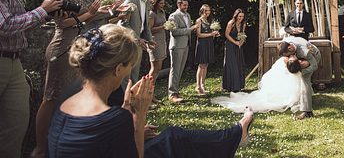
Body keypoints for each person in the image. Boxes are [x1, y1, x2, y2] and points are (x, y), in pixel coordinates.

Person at [46, 24, 254, 158]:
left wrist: (128, 113)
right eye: (130, 66)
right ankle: (236, 134)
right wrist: (138, 114)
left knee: (174, 136)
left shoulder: (68, 98)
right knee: (177, 140)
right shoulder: (112, 118)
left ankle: (235, 134)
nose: (130, 72)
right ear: (119, 69)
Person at [33, 0, 104, 158]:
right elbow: (62, 22)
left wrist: (95, 14)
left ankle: (61, 139)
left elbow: (84, 20)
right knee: (51, 96)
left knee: (70, 94)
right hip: (61, 47)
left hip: (76, 48)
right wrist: (88, 14)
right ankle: (40, 148)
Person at [0, 0, 63, 158]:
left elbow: (19, 27)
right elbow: (4, 26)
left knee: (17, 122)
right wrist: (41, 10)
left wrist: (46, 17)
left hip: (14, 62)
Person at [121, 0, 157, 89]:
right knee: (126, 74)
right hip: (129, 41)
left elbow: (145, 24)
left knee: (135, 73)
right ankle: (123, 101)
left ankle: (132, 99)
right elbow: (123, 24)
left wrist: (149, 39)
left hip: (139, 42)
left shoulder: (146, 2)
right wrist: (137, 39)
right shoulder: (130, 0)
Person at [278, 36, 321, 119]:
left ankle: (307, 111)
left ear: (290, 48)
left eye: (288, 55)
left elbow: (314, 66)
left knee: (305, 80)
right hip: (299, 56)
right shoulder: (285, 42)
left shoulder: (305, 52)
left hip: (313, 58)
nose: (288, 57)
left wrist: (300, 72)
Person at [167, 0, 197, 103]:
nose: (186, 7)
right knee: (175, 70)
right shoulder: (173, 16)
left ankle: (176, 90)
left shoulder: (188, 15)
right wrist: (190, 29)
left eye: (187, 5)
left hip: (185, 45)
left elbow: (188, 29)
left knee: (180, 70)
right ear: (178, 5)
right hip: (177, 46)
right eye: (184, 5)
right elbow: (174, 32)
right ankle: (172, 94)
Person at [195, 4, 219, 96]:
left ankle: (203, 85)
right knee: (201, 64)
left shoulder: (209, 20)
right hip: (202, 44)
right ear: (202, 11)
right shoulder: (199, 21)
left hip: (209, 43)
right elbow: (199, 35)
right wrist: (210, 34)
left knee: (206, 64)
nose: (208, 13)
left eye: (209, 11)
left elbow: (210, 32)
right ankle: (198, 86)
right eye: (206, 11)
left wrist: (215, 34)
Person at [148, 0, 167, 103]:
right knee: (154, 69)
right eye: (160, 3)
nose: (162, 5)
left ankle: (151, 94)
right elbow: (150, 29)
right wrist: (163, 27)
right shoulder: (151, 14)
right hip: (154, 41)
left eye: (163, 3)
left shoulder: (162, 12)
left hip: (162, 40)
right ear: (155, 3)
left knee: (157, 69)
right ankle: (148, 95)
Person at [222, 8, 246, 92]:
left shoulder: (243, 24)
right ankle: (231, 86)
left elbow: (243, 33)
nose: (241, 18)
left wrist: (241, 41)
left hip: (238, 46)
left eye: (242, 16)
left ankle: (238, 85)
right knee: (232, 65)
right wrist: (235, 42)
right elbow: (226, 34)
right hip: (230, 45)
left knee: (238, 64)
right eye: (239, 16)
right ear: (236, 16)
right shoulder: (231, 23)